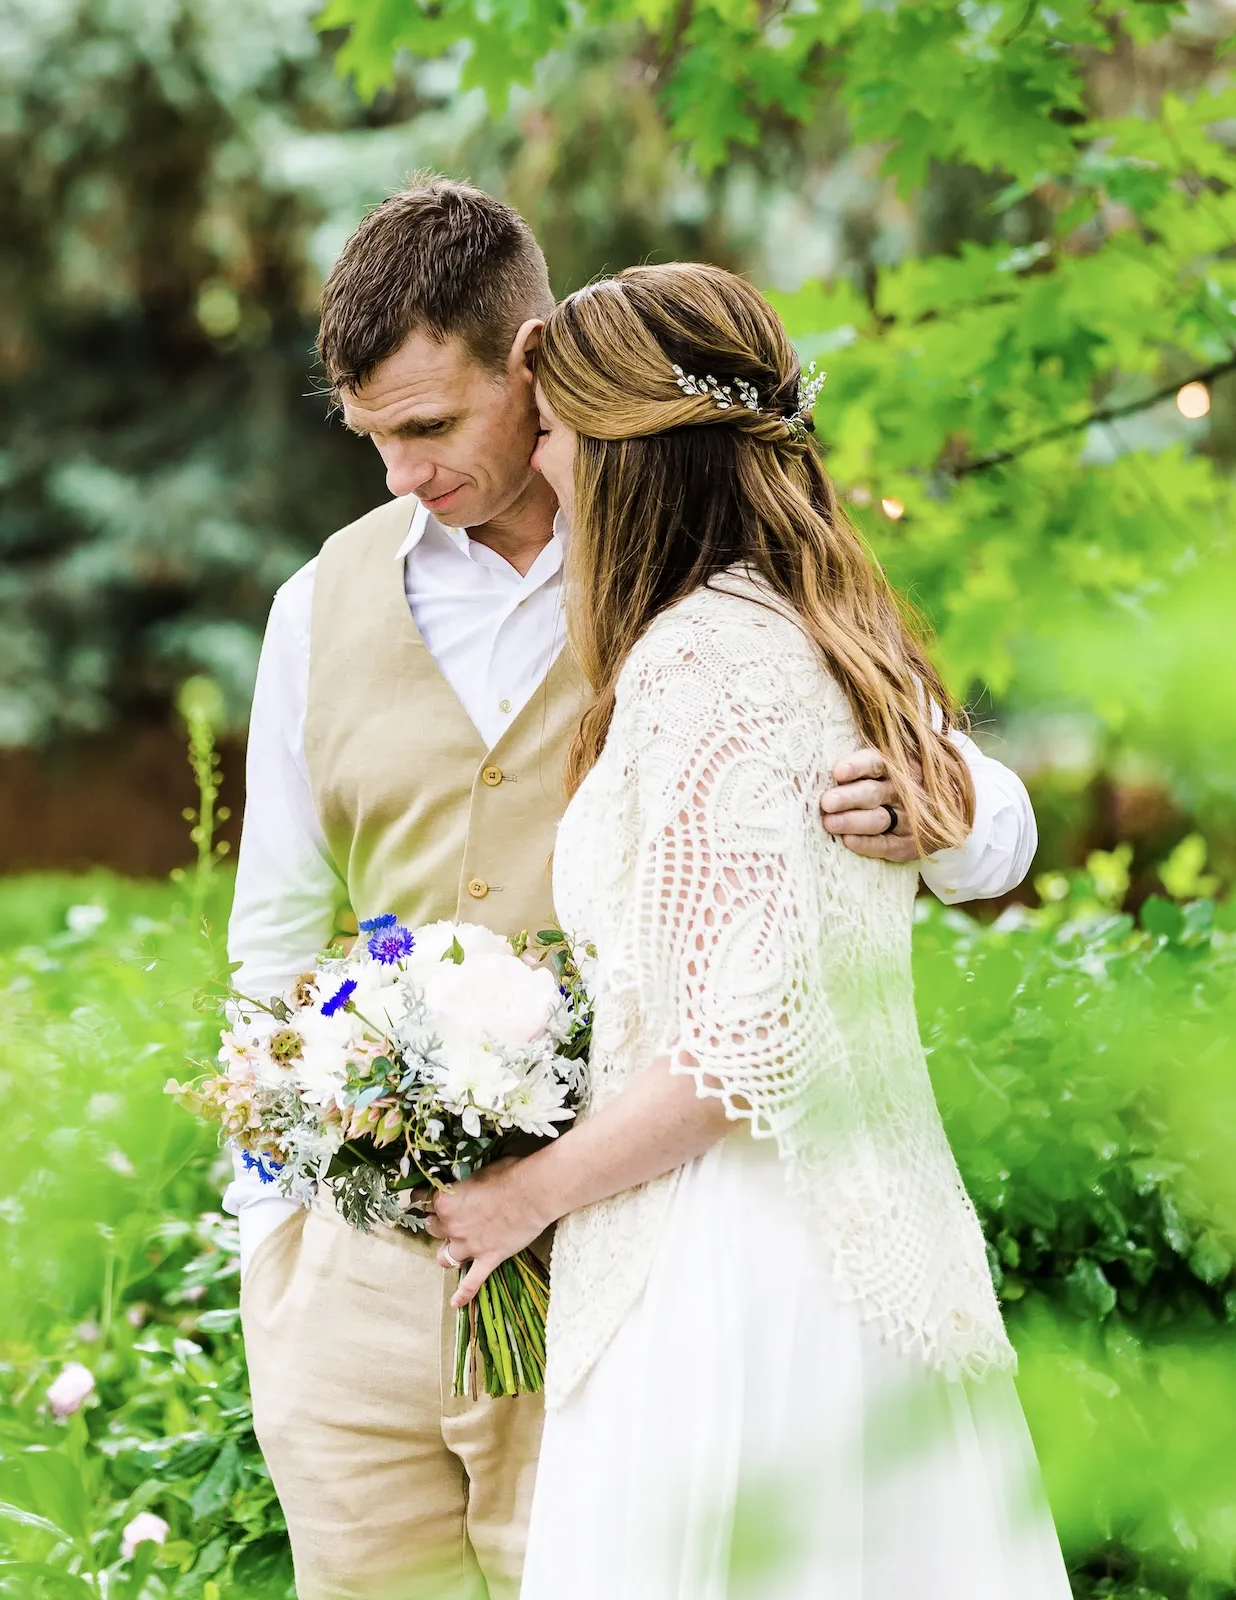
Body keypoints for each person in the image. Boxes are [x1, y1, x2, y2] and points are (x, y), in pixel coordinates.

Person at [228, 184, 1039, 1600]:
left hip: (623, 1227)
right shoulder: (321, 603)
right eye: (372, 439)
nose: (400, 475)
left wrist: (950, 810)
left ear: (530, 362)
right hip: (363, 1268)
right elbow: (276, 930)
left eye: (430, 427)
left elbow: (948, 807)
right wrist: (270, 1234)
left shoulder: (700, 589)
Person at [427, 262, 1070, 1600]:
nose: (538, 460)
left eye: (553, 429)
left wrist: (517, 1199)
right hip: (865, 1250)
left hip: (731, 1274)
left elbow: (738, 1047)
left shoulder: (701, 664)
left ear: (620, 454)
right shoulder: (823, 634)